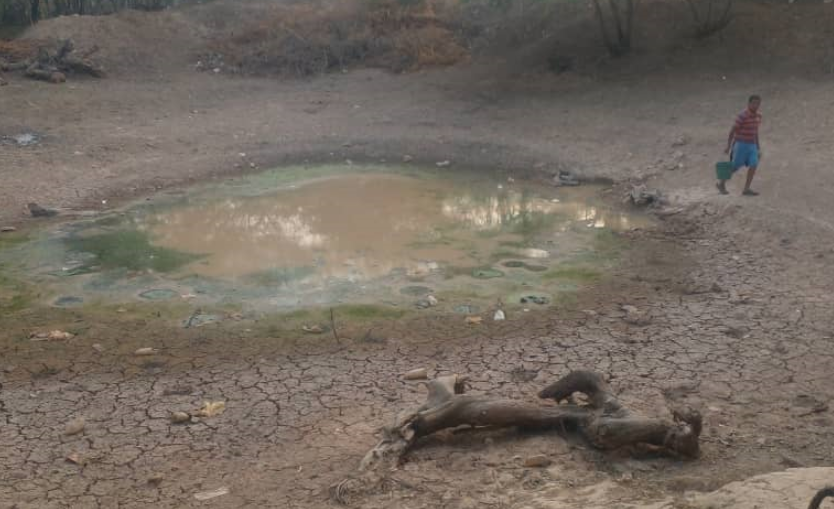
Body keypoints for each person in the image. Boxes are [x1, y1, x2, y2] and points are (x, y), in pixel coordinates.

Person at [719, 95, 763, 196]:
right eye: (754, 103)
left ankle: (746, 189)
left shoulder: (758, 116)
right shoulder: (742, 115)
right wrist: (728, 146)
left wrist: (758, 148)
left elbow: (755, 132)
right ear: (749, 103)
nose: (756, 105)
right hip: (741, 144)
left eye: (758, 103)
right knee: (735, 166)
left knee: (754, 164)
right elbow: (732, 131)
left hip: (752, 145)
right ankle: (721, 183)